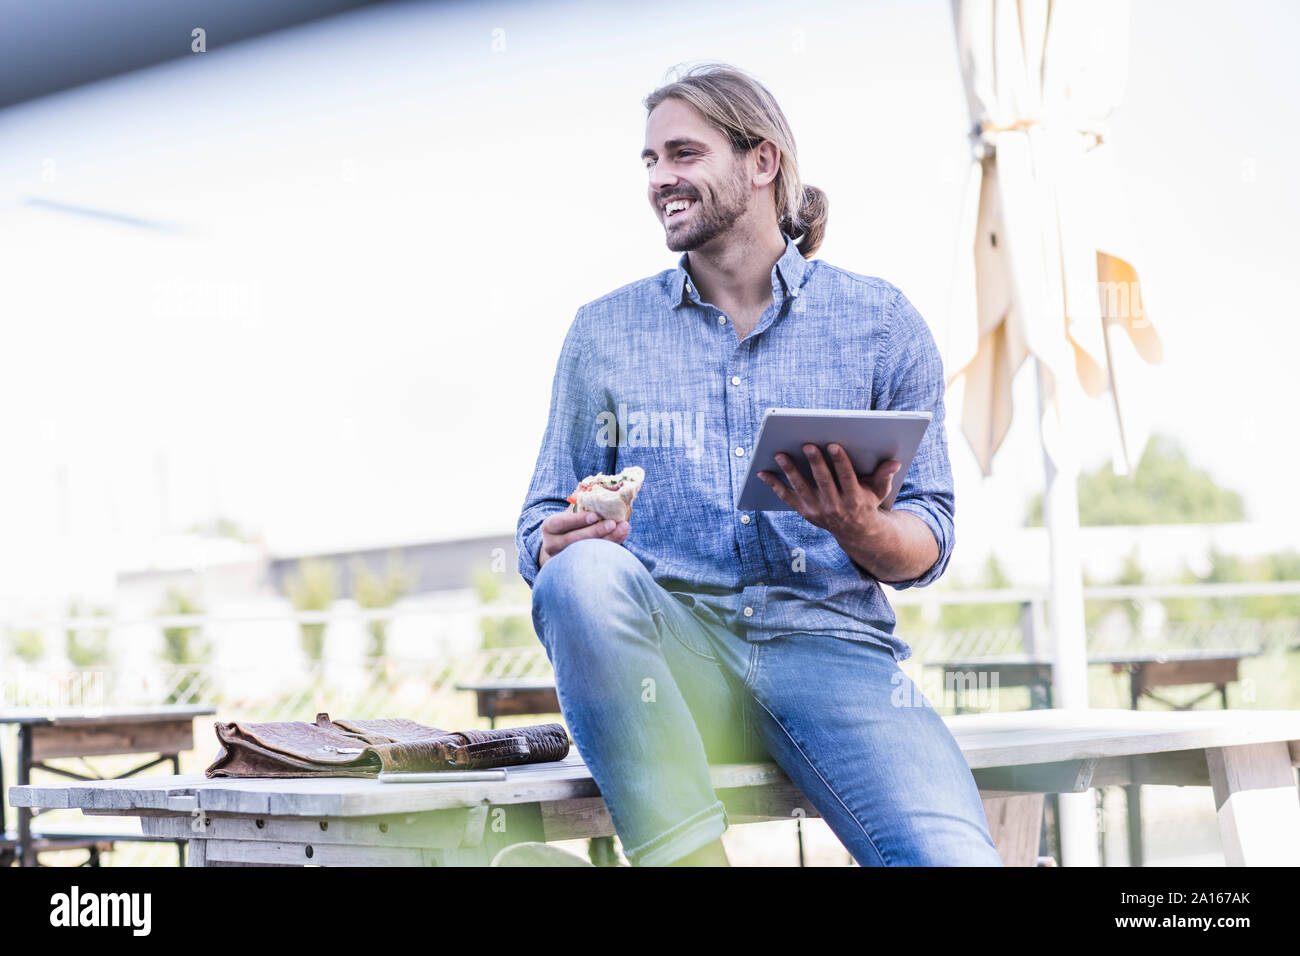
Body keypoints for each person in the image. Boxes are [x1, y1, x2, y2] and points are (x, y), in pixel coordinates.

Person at [515, 62, 1002, 867]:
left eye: (682, 154)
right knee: (583, 576)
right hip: (672, 660)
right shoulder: (602, 333)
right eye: (649, 161)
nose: (659, 179)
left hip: (834, 656)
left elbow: (929, 541)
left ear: (761, 161)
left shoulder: (880, 323)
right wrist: (559, 543)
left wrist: (861, 525)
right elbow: (537, 527)